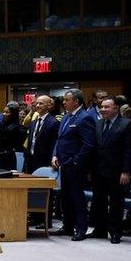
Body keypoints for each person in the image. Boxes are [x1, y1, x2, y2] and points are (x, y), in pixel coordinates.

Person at [90, 98, 131, 244]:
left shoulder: (126, 124)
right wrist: (90, 170)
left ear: (116, 108)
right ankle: (100, 229)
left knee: (116, 202)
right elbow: (95, 149)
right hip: (99, 170)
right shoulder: (98, 123)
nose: (103, 109)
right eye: (101, 107)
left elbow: (130, 150)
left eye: (106, 107)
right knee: (99, 202)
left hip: (117, 171)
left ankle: (116, 232)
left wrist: (126, 171)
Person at [52, 88, 96, 241]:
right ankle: (68, 226)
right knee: (66, 197)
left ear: (76, 101)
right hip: (63, 163)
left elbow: (88, 144)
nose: (63, 102)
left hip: (76, 165)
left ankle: (81, 228)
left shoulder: (85, 117)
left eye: (66, 100)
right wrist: (54, 155)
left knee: (77, 198)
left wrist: (76, 160)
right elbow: (59, 139)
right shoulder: (66, 116)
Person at [23, 95, 59, 173]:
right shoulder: (33, 123)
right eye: (37, 103)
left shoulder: (54, 123)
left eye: (41, 103)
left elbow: (55, 143)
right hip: (31, 162)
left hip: (45, 163)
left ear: (49, 105)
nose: (38, 105)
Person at [0, 102, 27, 171]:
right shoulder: (3, 124)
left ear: (12, 114)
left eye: (7, 112)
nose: (4, 114)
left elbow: (7, 133)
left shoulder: (15, 126)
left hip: (8, 155)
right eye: (3, 112)